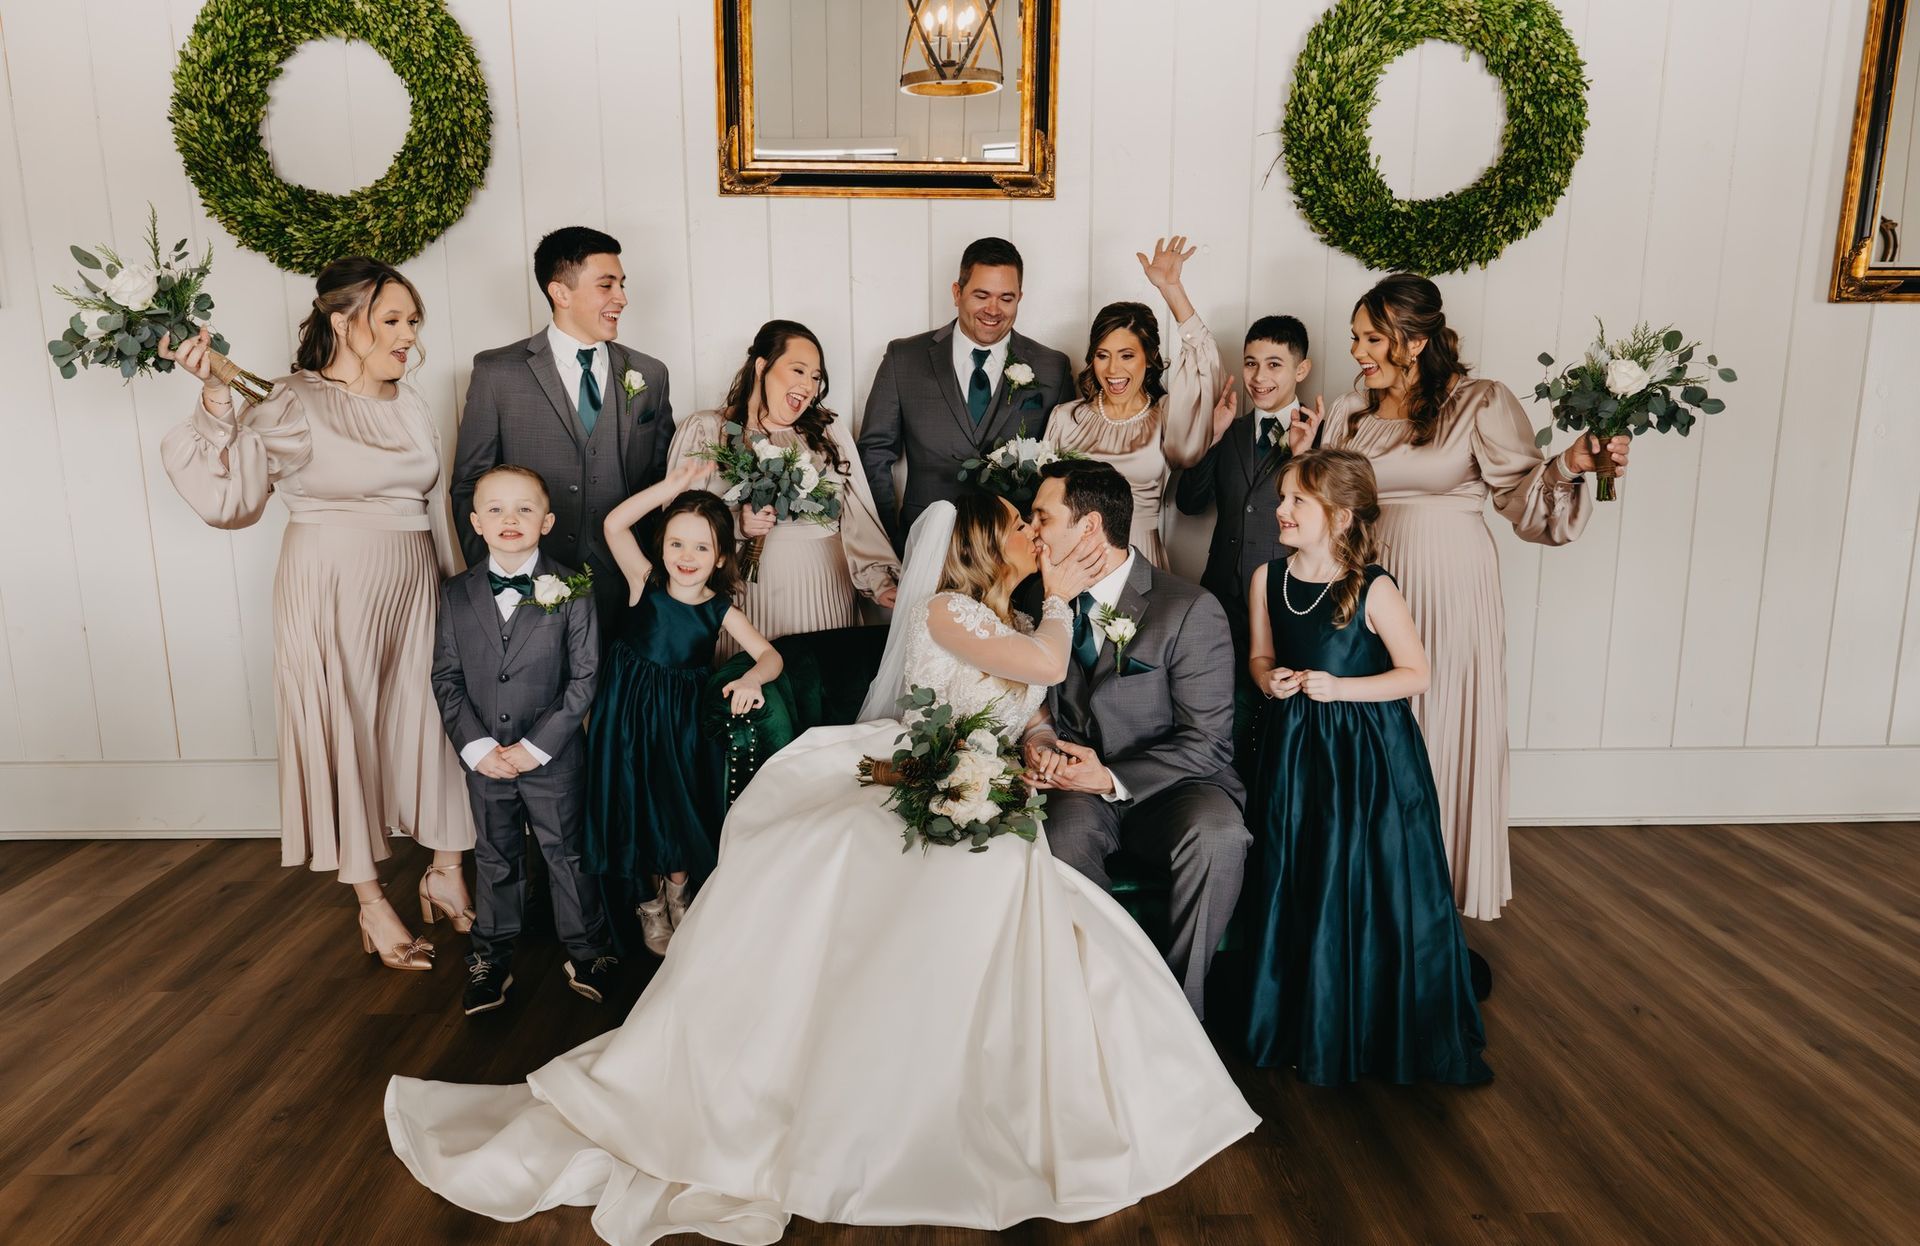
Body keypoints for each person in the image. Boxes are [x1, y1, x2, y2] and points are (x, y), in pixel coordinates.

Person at [386, 493, 1258, 1244]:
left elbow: (1026, 699)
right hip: (915, 774)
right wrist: (1065, 600)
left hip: (982, 782)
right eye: (1027, 530)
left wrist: (1033, 744)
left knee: (1020, 889)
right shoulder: (950, 612)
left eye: (1045, 528)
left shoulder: (1019, 618)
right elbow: (1040, 667)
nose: (1041, 539)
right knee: (949, 885)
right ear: (993, 547)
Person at [158, 258, 474, 970]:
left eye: (413, 321)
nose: (407, 336)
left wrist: (459, 597)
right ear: (343, 322)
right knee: (345, 728)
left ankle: (446, 867)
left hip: (415, 582)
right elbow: (230, 502)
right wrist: (216, 398)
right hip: (330, 586)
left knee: (436, 716)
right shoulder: (290, 400)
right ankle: (371, 903)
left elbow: (434, 505)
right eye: (391, 320)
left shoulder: (410, 401)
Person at [1322, 273, 1631, 923]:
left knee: (1440, 736)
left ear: (1415, 340)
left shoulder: (1479, 403)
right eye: (1355, 338)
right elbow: (1324, 503)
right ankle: (1373, 906)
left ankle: (1435, 910)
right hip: (1366, 592)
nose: (1358, 351)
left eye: (1373, 338)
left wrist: (1572, 465)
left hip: (1449, 594)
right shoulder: (1346, 414)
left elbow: (1524, 499)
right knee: (1368, 737)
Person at [1242, 450, 1491, 1085]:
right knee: (1299, 872)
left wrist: (1338, 688)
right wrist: (1272, 682)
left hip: (1367, 756)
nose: (1282, 509)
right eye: (1283, 497)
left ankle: (1371, 1014)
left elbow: (1418, 674)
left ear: (1342, 516)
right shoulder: (1266, 579)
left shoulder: (1374, 586)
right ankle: (1303, 1016)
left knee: (1360, 874)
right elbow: (1261, 657)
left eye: (1299, 500)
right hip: (1294, 749)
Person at [1021, 460, 1250, 1019]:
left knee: (1219, 836)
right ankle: (1101, 1011)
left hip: (1175, 788)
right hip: (1075, 789)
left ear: (1089, 527)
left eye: (1041, 518)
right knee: (1059, 841)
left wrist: (1112, 776)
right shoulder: (1032, 599)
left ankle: (1178, 1017)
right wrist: (1042, 741)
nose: (1031, 533)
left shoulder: (1189, 609)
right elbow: (1031, 704)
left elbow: (1209, 743)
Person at [432, 464, 617, 1015]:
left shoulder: (575, 588)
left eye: (524, 509)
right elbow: (446, 677)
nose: (509, 519)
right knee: (495, 856)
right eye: (495, 509)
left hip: (553, 757)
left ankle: (588, 950)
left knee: (567, 854)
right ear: (475, 523)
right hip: (484, 760)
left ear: (547, 520)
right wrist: (477, 749)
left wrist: (536, 747)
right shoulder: (456, 594)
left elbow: (585, 679)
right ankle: (491, 955)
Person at [585, 463, 782, 958]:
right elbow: (613, 525)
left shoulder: (719, 608)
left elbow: (770, 656)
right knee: (631, 802)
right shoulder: (644, 581)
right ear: (662, 547)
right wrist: (670, 490)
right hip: (625, 716)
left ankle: (678, 890)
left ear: (719, 558)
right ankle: (649, 902)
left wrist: (752, 678)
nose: (686, 557)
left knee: (674, 804)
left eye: (701, 547)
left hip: (679, 723)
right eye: (677, 543)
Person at [451, 226, 675, 636]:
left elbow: (662, 483)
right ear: (561, 293)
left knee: (620, 698)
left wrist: (661, 577)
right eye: (606, 285)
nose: (621, 298)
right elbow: (469, 484)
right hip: (530, 584)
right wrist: (498, 576)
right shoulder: (497, 373)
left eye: (622, 285)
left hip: (627, 586)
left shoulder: (650, 374)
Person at [667, 320, 898, 657]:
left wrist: (880, 583)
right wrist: (737, 526)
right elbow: (675, 524)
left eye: (816, 377)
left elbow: (856, 516)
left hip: (827, 595)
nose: (808, 385)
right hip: (750, 599)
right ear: (762, 367)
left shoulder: (828, 432)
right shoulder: (707, 430)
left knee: (821, 690)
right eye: (798, 370)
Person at [857, 236, 1074, 546]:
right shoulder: (903, 359)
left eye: (1006, 298)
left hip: (1015, 551)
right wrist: (889, 540)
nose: (993, 309)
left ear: (1020, 298)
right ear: (957, 293)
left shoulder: (1053, 367)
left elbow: (1062, 471)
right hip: (925, 543)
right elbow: (874, 455)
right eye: (981, 295)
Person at [1042, 237, 1222, 568]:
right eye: (1102, 356)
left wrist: (1172, 289)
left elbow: (1203, 362)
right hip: (1069, 561)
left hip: (1139, 560)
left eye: (1127, 355)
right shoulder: (1065, 419)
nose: (1113, 370)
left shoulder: (1167, 417)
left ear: (1149, 358)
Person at [1175, 313, 1323, 658]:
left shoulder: (1321, 434)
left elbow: (1327, 520)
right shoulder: (1228, 428)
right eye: (1251, 364)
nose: (1259, 377)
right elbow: (1188, 503)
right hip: (1222, 594)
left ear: (1301, 370)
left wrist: (1303, 457)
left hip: (1289, 591)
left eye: (1274, 365)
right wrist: (1211, 438)